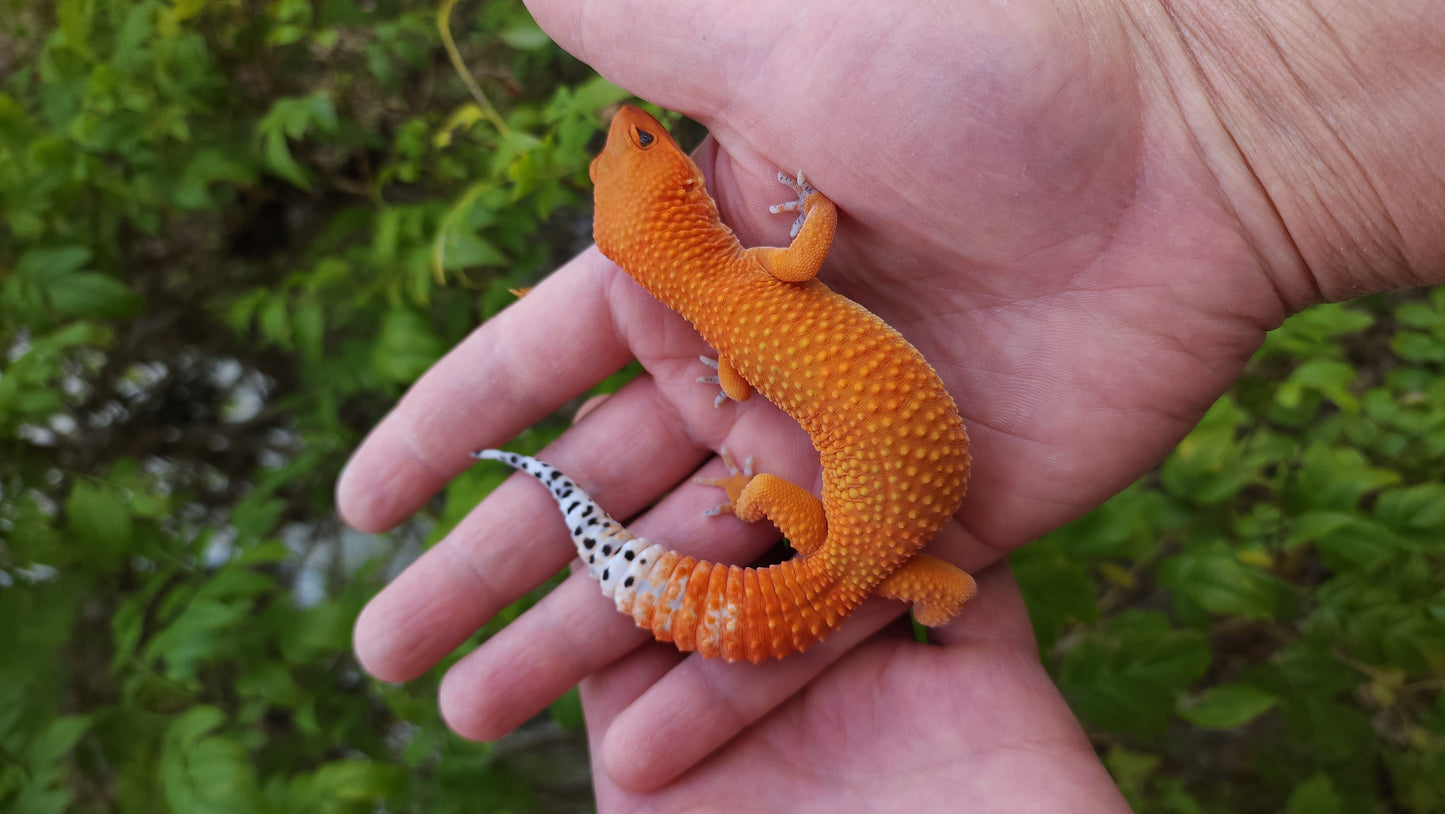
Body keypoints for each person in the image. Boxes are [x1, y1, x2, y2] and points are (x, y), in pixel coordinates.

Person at [336, 0, 1445, 808]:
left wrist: (787, 503)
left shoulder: (730, 332)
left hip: (898, 546)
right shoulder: (762, 275)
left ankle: (630, 529)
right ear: (673, 198)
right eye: (632, 150)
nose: (630, 132)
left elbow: (752, 396)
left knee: (909, 577)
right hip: (851, 519)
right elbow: (807, 245)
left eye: (629, 147)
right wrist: (811, 207)